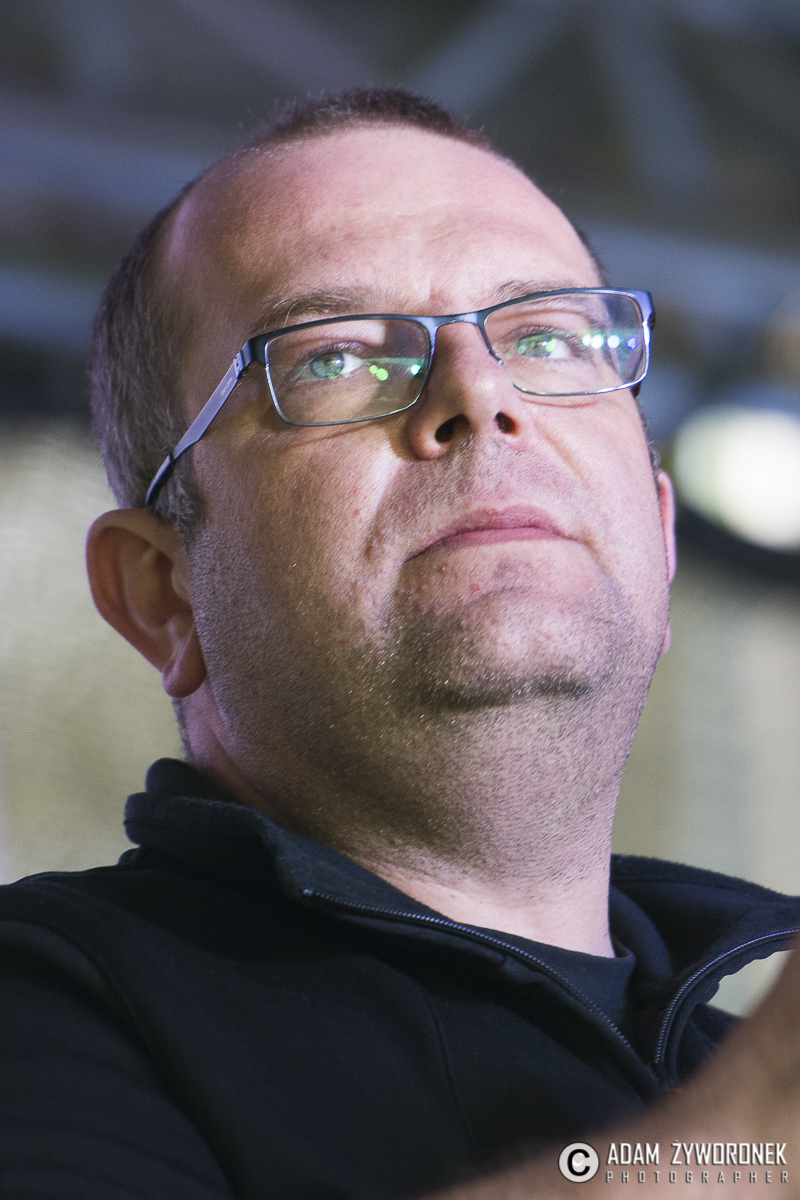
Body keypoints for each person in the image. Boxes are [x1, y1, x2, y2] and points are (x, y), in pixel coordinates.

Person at [0, 88, 798, 1199]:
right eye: (334, 358)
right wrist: (748, 1140)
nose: (479, 392)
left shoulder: (740, 1072)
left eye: (549, 337)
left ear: (660, 542)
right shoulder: (44, 996)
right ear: (163, 595)